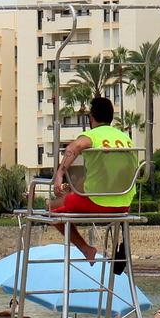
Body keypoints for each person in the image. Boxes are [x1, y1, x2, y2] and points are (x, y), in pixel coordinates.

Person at [47, 97, 135, 264]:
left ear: (91, 118)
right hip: (124, 203)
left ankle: (86, 248)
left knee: (49, 209)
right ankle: (72, 197)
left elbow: (74, 147)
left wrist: (59, 175)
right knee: (82, 183)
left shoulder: (93, 135)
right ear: (111, 117)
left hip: (98, 202)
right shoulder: (125, 138)